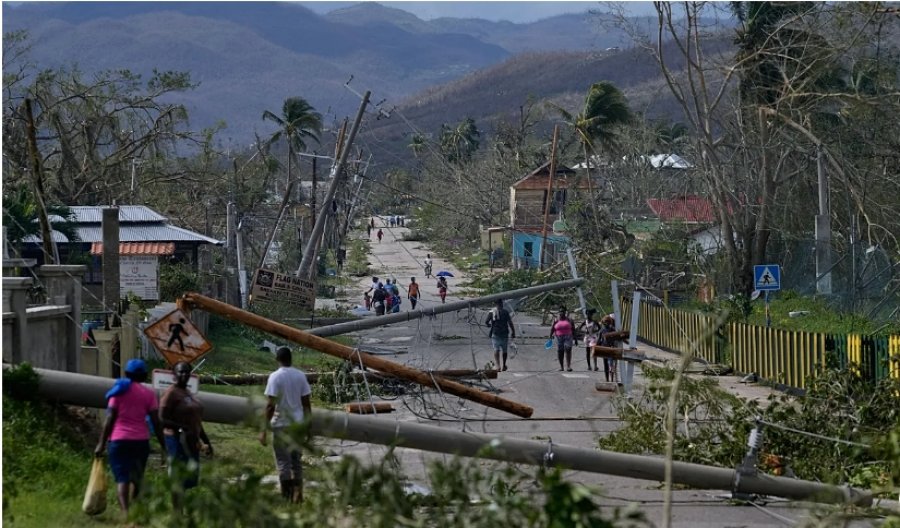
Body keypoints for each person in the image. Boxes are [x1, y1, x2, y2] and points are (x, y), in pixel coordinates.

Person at [95, 359, 166, 516]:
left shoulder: (118, 391)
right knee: (137, 477)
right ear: (144, 376)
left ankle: (126, 513)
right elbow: (156, 422)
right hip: (141, 441)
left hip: (119, 440)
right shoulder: (149, 395)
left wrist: (101, 443)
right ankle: (134, 508)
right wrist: (164, 445)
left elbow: (110, 419)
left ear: (126, 374)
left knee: (122, 478)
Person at [260, 346, 312, 503]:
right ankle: (299, 494)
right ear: (291, 359)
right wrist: (308, 427)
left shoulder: (275, 377)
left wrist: (263, 429)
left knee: (283, 463)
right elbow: (306, 405)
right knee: (296, 462)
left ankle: (287, 497)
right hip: (297, 425)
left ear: (277, 359)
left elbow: (270, 406)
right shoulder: (300, 376)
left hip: (281, 425)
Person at [159, 361, 212, 512]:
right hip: (176, 440)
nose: (183, 375)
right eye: (180, 372)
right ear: (174, 375)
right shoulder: (171, 393)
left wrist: (206, 441)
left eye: (186, 372)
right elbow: (162, 419)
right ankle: (177, 512)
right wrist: (181, 427)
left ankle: (182, 509)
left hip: (191, 440)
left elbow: (196, 421)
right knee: (178, 476)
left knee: (188, 478)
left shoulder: (187, 392)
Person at [485, 299, 516, 371]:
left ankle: (498, 366)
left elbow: (486, 322)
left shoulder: (492, 312)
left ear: (495, 304)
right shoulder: (505, 312)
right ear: (502, 304)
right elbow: (510, 323)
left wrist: (489, 325)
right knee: (504, 350)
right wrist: (513, 332)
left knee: (496, 349)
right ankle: (504, 365)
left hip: (496, 333)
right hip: (505, 333)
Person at [550, 307, 575, 371]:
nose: (561, 313)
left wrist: (576, 339)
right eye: (560, 311)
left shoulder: (569, 320)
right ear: (559, 313)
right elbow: (553, 328)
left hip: (568, 336)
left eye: (563, 311)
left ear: (565, 312)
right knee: (560, 351)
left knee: (568, 349)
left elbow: (573, 329)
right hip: (559, 337)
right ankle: (561, 367)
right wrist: (550, 336)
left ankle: (568, 366)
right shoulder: (556, 320)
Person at [599, 315, 620, 382]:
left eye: (607, 322)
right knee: (608, 364)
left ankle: (609, 379)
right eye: (605, 322)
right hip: (607, 348)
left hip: (609, 348)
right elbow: (598, 340)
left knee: (609, 364)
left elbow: (598, 340)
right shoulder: (609, 330)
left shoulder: (605, 330)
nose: (606, 323)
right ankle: (608, 379)